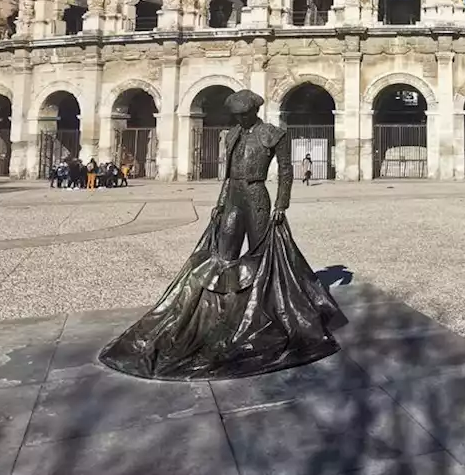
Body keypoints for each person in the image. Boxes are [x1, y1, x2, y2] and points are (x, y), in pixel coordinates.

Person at [99, 89, 345, 380]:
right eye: (236, 115)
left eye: (243, 114)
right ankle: (226, 311)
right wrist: (219, 203)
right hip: (233, 196)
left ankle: (263, 310)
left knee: (260, 254)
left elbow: (287, 171)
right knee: (223, 254)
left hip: (256, 195)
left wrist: (281, 204)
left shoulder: (273, 134)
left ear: (254, 111)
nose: (239, 118)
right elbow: (228, 175)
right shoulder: (232, 135)